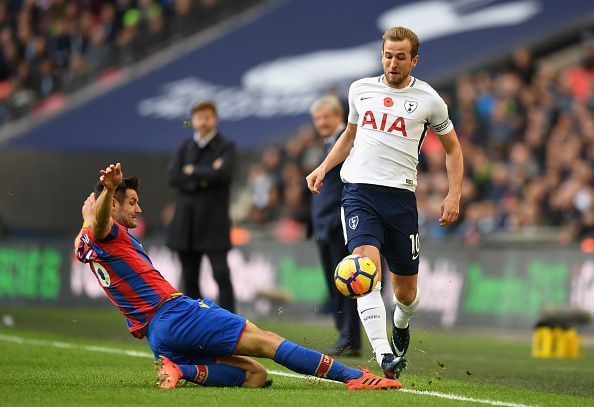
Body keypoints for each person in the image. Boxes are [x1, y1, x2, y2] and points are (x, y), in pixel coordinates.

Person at [73, 163, 402, 391]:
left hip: (158, 340)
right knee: (268, 341)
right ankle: (353, 378)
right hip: (174, 314)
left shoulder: (92, 236)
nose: (138, 209)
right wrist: (108, 189)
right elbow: (101, 223)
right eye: (131, 202)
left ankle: (180, 369)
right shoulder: (108, 230)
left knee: (254, 376)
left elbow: (84, 239)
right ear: (112, 203)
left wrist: (90, 215)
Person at [306, 26, 463, 379]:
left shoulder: (430, 100)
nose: (393, 63)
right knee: (365, 272)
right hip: (359, 193)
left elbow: (453, 148)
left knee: (406, 293)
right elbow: (350, 134)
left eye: (401, 57)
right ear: (382, 56)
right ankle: (383, 355)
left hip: (402, 200)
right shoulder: (360, 90)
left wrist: (454, 193)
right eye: (388, 56)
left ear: (414, 60)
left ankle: (401, 322)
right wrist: (324, 167)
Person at [166, 101, 236, 312]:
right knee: (189, 278)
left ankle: (231, 321)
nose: (203, 121)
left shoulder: (226, 147)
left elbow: (224, 175)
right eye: (199, 117)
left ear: (215, 119)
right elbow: (172, 176)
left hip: (214, 224)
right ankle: (194, 323)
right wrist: (205, 175)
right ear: (193, 120)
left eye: (208, 116)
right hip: (186, 224)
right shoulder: (184, 147)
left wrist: (191, 171)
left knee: (221, 274)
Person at [309, 95, 361, 356]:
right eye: (317, 119)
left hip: (340, 224)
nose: (321, 123)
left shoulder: (347, 143)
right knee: (335, 285)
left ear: (340, 117)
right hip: (324, 226)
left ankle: (350, 337)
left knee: (348, 283)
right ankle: (345, 335)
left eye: (325, 117)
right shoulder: (328, 144)